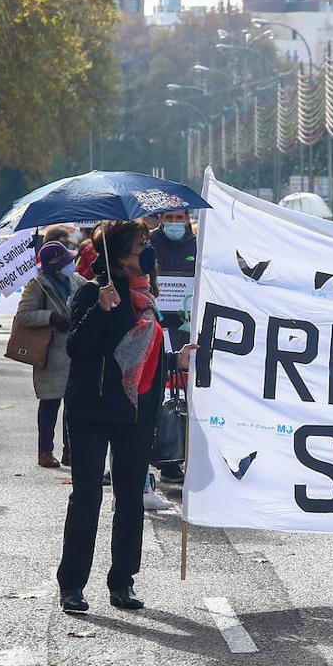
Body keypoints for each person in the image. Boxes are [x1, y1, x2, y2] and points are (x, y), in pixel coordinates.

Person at [57, 220, 195, 613]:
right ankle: (72, 585)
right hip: (92, 408)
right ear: (118, 254)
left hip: (136, 411)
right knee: (86, 497)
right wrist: (100, 310)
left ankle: (123, 582)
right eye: (140, 246)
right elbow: (78, 349)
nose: (147, 252)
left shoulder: (146, 296)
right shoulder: (93, 292)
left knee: (131, 497)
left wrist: (175, 359)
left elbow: (142, 360)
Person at [16, 241, 79, 468]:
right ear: (56, 264)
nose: (72, 265)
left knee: (73, 405)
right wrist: (50, 317)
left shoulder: (75, 280)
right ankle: (45, 451)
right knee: (50, 403)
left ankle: (70, 451)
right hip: (50, 352)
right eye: (68, 261)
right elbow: (23, 315)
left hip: (74, 350)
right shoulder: (37, 285)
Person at [146, 208, 196, 486]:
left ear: (188, 218)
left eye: (179, 218)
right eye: (169, 218)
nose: (174, 223)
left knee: (182, 397)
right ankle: (138, 461)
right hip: (152, 324)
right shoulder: (149, 242)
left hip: (185, 328)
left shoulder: (199, 245)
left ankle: (173, 459)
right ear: (161, 219)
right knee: (150, 395)